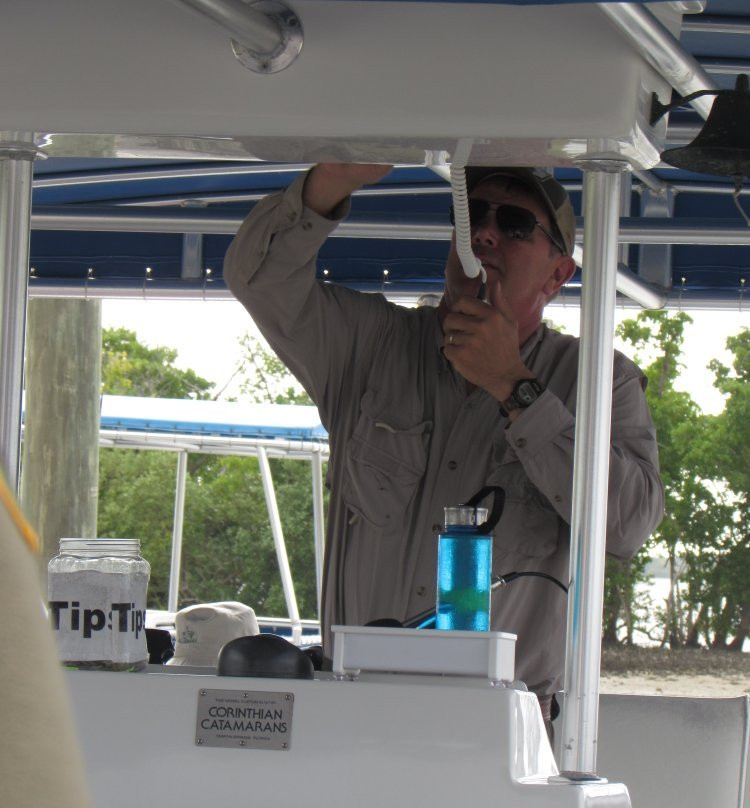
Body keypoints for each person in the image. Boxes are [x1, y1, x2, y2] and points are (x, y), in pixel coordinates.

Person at [223, 163, 664, 725]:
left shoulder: (600, 380)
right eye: (470, 217)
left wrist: (514, 386)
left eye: (514, 224)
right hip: (355, 715)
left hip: (501, 732)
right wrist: (330, 182)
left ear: (557, 276)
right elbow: (255, 278)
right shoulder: (370, 346)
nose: (483, 234)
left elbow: (628, 523)